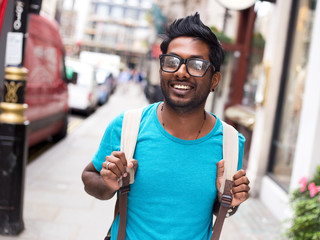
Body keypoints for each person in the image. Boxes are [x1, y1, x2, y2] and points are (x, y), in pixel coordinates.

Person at [82, 12, 250, 240]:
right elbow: (89, 178)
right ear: (162, 70)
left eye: (197, 65)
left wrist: (227, 198)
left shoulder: (229, 143)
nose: (181, 72)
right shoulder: (128, 125)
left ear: (214, 80)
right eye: (172, 61)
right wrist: (107, 183)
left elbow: (221, 206)